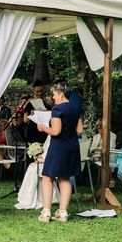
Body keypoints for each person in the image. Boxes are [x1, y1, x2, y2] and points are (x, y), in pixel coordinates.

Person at [36, 82, 81, 222]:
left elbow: (55, 131)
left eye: (54, 94)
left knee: (47, 177)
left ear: (61, 94)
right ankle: (62, 212)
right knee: (65, 178)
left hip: (59, 147)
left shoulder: (57, 109)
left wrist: (43, 128)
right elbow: (79, 130)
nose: (53, 97)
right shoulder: (75, 108)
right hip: (72, 146)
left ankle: (46, 212)